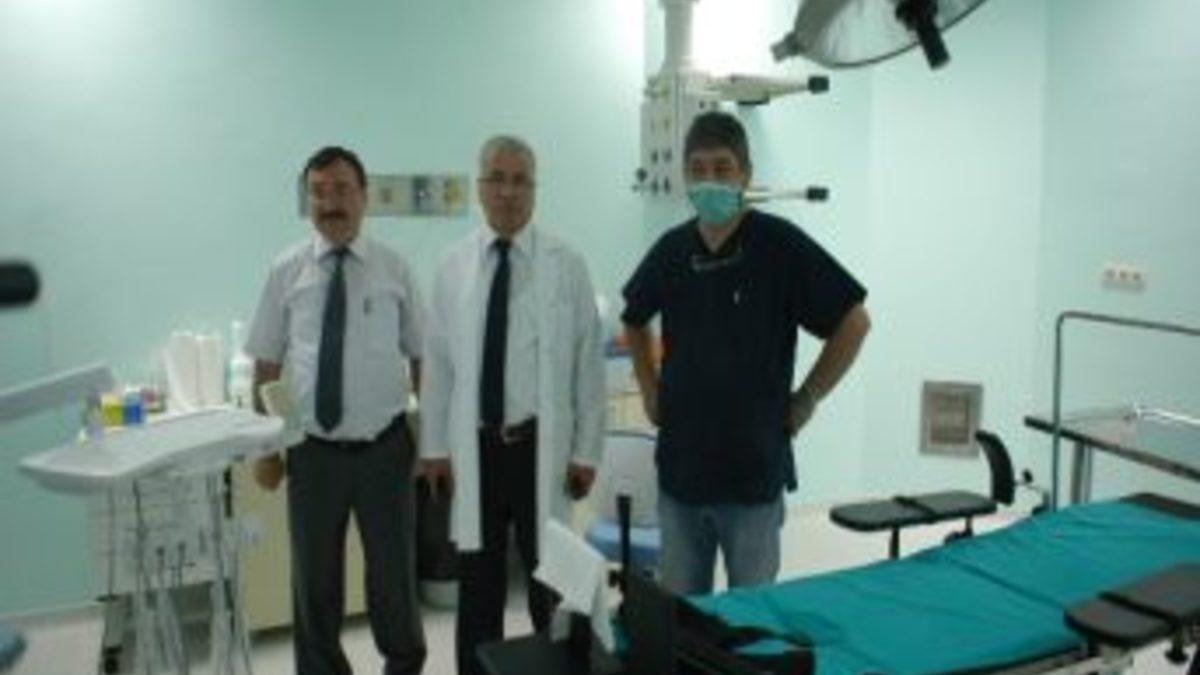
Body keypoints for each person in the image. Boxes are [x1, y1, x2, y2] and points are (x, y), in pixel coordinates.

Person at [622, 111, 871, 595]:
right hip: (682, 475)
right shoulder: (672, 251)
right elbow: (633, 319)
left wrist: (808, 398)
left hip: (752, 475)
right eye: (698, 170)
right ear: (684, 177)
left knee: (752, 618)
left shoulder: (779, 246)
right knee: (682, 617)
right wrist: (650, 391)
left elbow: (854, 322)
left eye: (722, 168)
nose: (709, 180)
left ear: (745, 175)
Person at [418, 135, 605, 675]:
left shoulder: (567, 264)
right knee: (479, 583)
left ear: (535, 189)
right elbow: (438, 365)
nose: (508, 192)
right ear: (479, 188)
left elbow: (587, 365)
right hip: (475, 449)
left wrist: (586, 452)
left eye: (521, 180)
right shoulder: (454, 266)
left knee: (552, 578)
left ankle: (560, 668)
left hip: (538, 446)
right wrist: (434, 447)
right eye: (497, 179)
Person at [245, 146, 427, 675]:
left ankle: (403, 664)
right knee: (315, 581)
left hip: (385, 450)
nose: (330, 203)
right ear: (307, 200)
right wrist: (268, 449)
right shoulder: (286, 270)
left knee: (393, 576)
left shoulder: (394, 269)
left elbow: (423, 359)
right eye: (318, 192)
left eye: (342, 190)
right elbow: (266, 363)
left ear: (364, 196)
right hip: (312, 453)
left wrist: (433, 444)